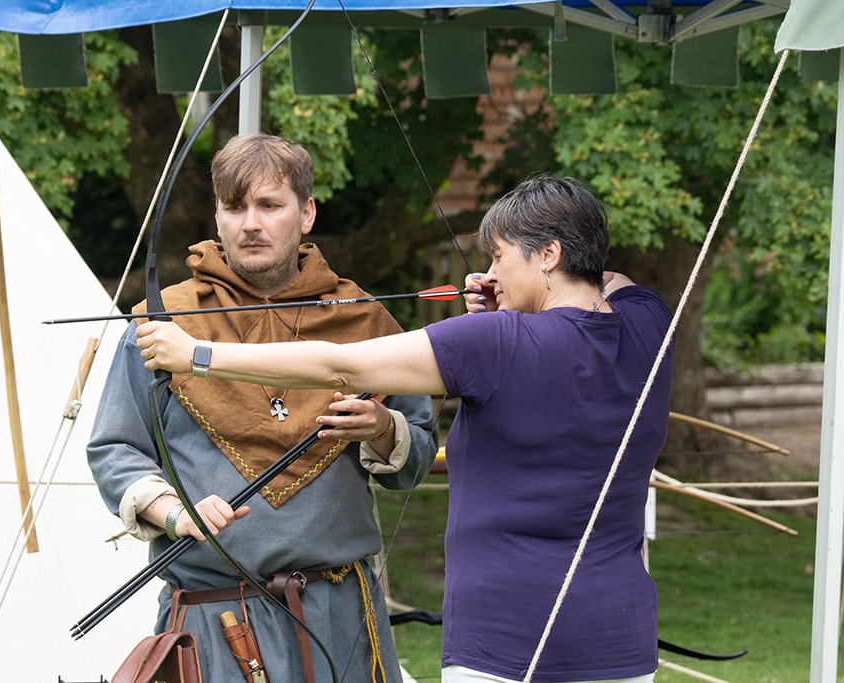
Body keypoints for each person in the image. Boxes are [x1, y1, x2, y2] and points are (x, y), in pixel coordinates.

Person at [137, 174, 674, 683]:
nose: (489, 274)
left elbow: (338, 366)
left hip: (505, 641)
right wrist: (521, 291)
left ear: (549, 255)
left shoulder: (494, 340)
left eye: (498, 256)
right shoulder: (648, 321)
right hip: (621, 639)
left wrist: (196, 354)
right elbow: (607, 284)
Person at [87, 133, 438, 683]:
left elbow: (414, 460)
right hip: (213, 624)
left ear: (307, 214)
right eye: (235, 207)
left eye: (270, 205)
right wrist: (175, 511)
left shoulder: (364, 322)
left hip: (340, 620)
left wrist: (381, 428)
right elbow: (115, 448)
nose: (250, 223)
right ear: (217, 216)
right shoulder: (164, 322)